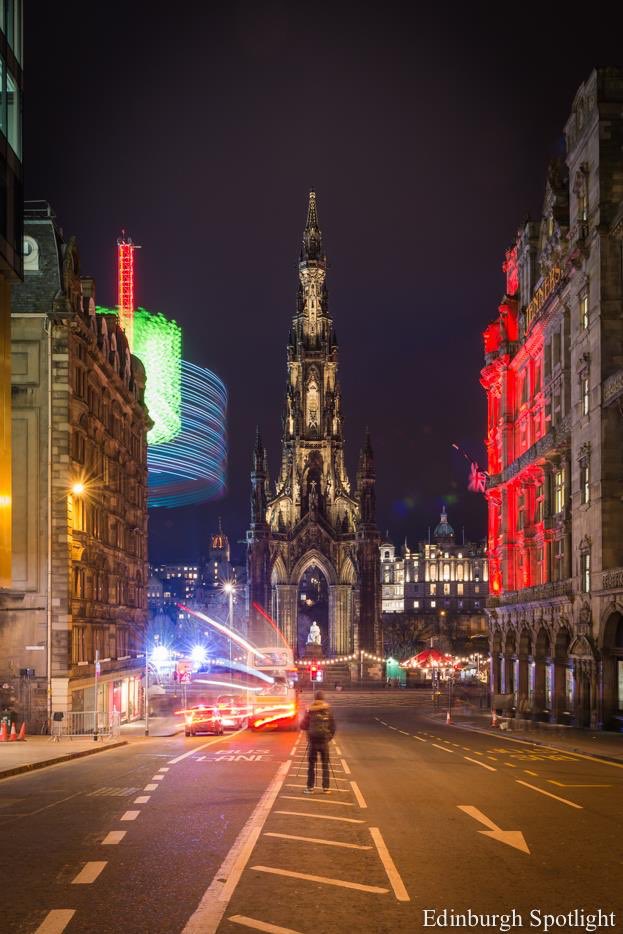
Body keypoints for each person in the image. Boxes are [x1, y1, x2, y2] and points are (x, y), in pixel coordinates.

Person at [300, 690, 335, 794]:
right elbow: (333, 727)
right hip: (324, 742)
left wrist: (309, 731)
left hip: (313, 741)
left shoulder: (310, 710)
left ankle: (310, 787)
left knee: (311, 765)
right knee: (325, 765)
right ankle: (326, 788)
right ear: (323, 698)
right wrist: (328, 738)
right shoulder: (328, 711)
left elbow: (302, 725)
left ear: (315, 699)